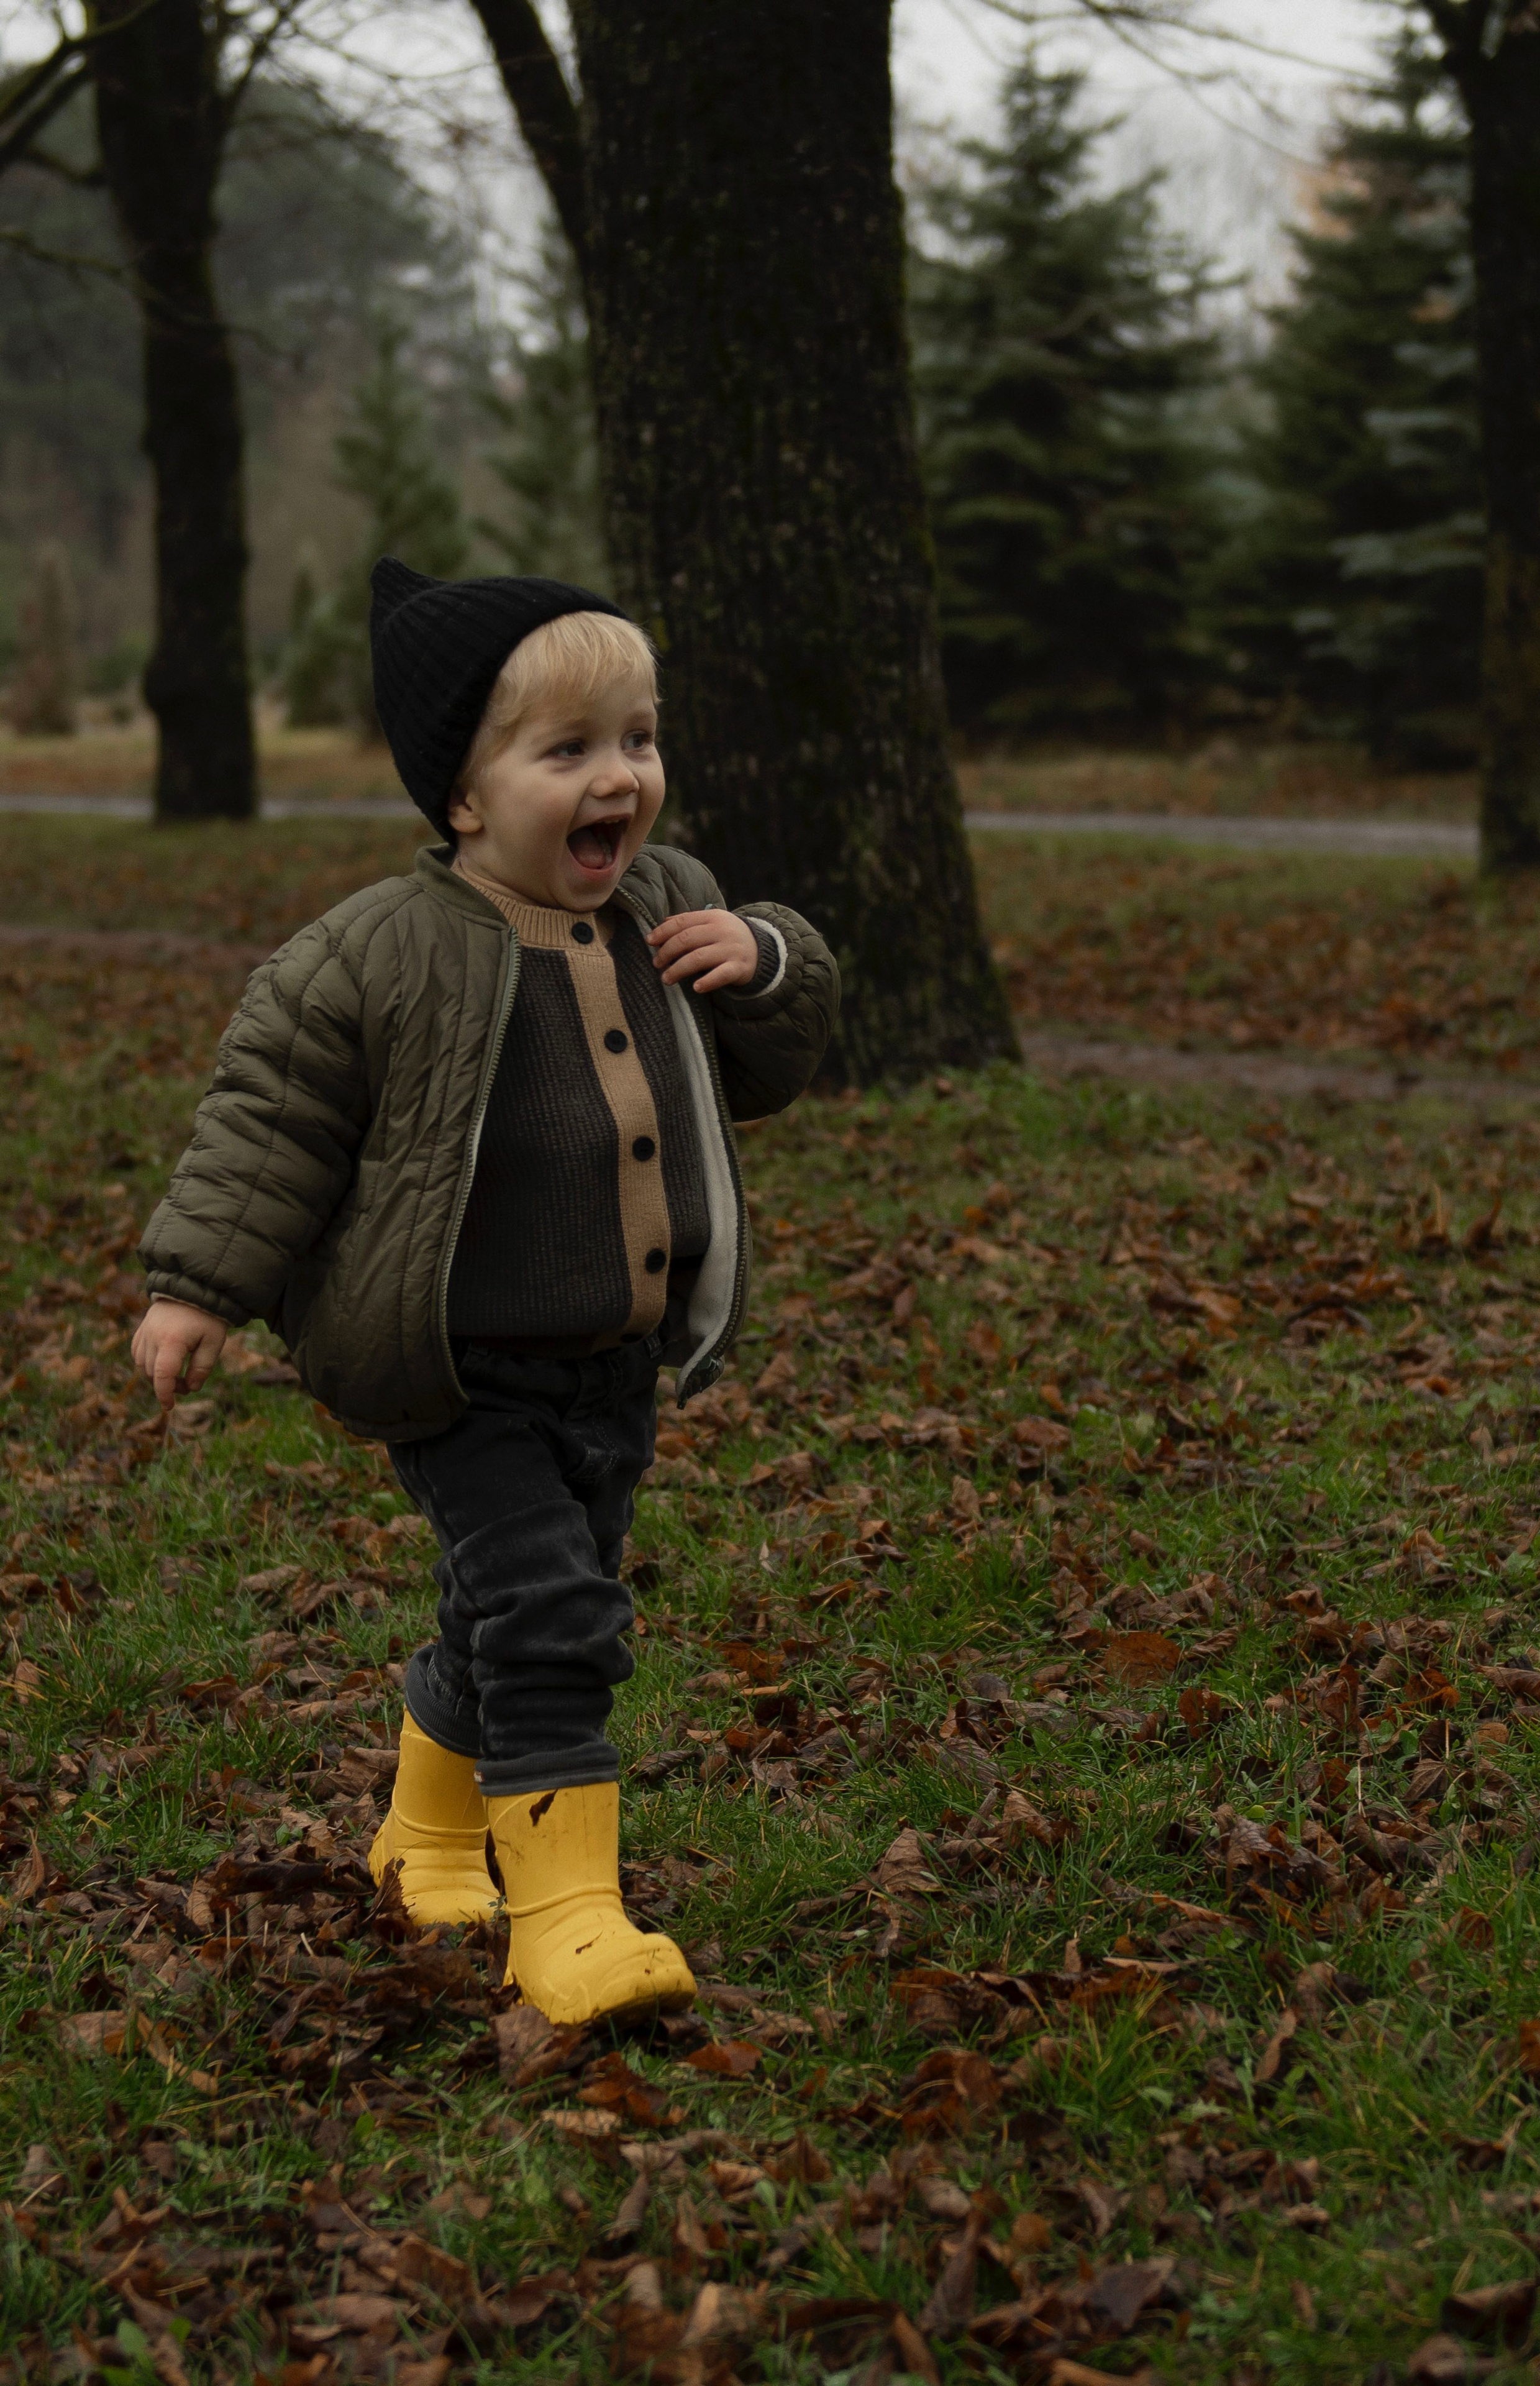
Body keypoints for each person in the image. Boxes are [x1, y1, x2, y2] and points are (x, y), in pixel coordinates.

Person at [131, 559, 839, 2025]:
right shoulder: (374, 957)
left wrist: (763, 963)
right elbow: (267, 1127)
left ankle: (428, 1834)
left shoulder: (673, 904)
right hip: (458, 1371)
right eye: (566, 750)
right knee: (552, 1608)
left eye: (637, 740)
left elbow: (762, 1075)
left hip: (612, 1361)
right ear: (461, 797)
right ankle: (568, 1918)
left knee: (500, 1611)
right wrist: (196, 1286)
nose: (619, 779)